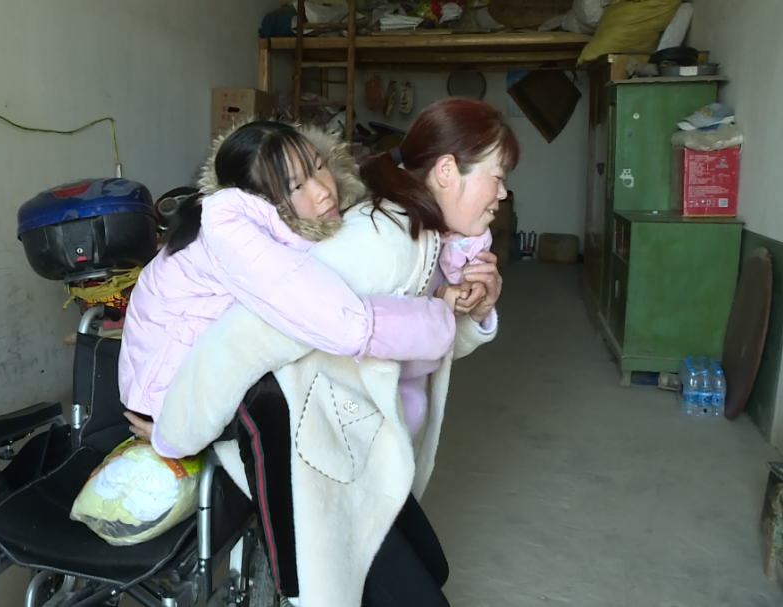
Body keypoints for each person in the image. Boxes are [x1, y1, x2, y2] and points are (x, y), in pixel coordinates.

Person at [153, 97, 518, 607]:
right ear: (446, 171)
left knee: (432, 567)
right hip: (317, 456)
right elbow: (248, 333)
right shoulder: (380, 240)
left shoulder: (426, 231)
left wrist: (475, 311)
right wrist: (173, 432)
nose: (502, 193)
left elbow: (419, 346)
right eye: (496, 177)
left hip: (361, 445)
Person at [117, 120, 463, 458]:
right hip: (167, 397)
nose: (323, 189)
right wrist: (439, 320)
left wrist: (459, 262)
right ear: (260, 197)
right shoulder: (231, 230)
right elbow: (343, 325)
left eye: (319, 167)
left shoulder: (289, 218)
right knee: (315, 384)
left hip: (200, 377)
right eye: (297, 186)